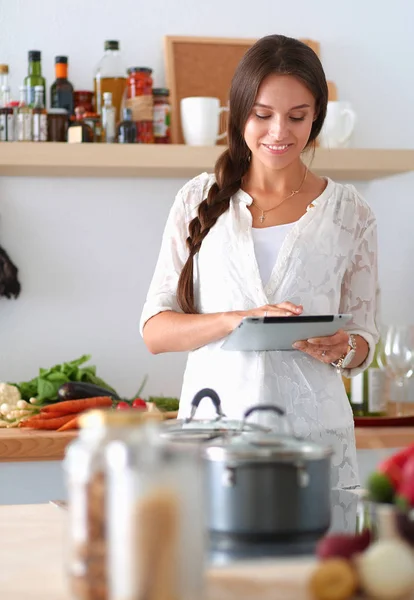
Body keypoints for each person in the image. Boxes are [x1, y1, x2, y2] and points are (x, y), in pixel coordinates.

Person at [140, 34, 379, 489]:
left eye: (297, 117)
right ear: (240, 111)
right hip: (215, 436)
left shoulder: (351, 212)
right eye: (262, 114)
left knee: (316, 562)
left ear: (317, 117)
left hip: (316, 442)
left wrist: (345, 347)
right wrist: (239, 320)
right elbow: (155, 330)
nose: (279, 132)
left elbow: (365, 336)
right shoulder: (197, 199)